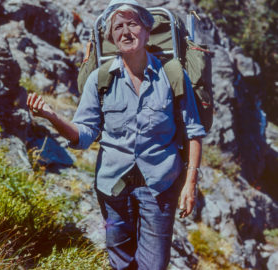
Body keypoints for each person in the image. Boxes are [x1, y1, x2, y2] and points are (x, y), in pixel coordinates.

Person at [27, 0, 206, 269]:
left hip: (160, 184)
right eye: (118, 27)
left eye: (132, 24)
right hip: (113, 188)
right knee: (120, 262)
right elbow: (84, 134)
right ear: (111, 38)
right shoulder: (99, 79)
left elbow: (194, 131)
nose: (125, 31)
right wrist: (53, 117)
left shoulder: (172, 75)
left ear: (147, 31)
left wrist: (190, 184)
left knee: (154, 265)